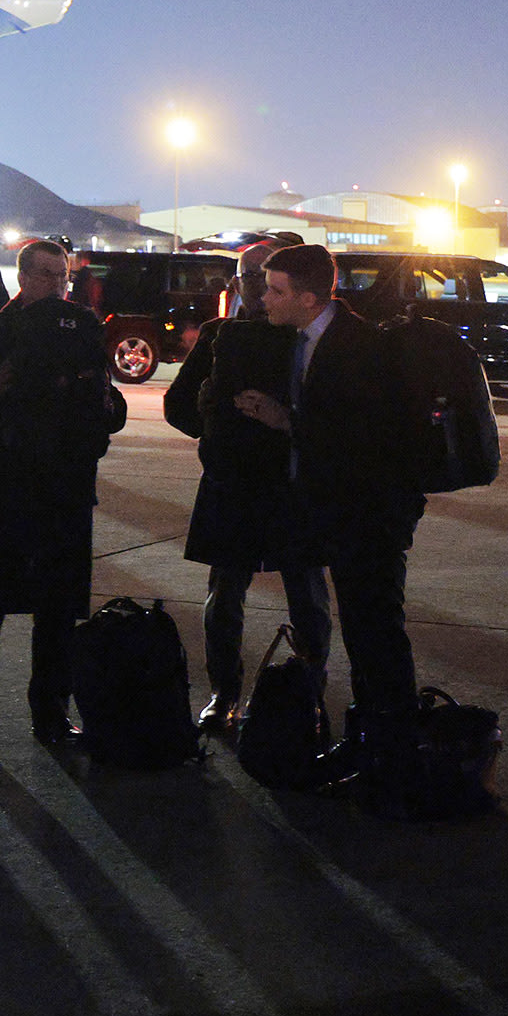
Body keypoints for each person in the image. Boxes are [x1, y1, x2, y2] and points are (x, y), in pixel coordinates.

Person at [235, 242, 423, 802]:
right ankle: (368, 742)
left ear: (309, 297)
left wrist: (284, 420)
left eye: (274, 290)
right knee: (364, 633)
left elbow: (364, 441)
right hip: (337, 515)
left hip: (370, 518)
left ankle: (394, 757)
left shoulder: (360, 347)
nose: (261, 297)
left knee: (377, 634)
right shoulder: (307, 340)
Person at [0, 239, 124, 750]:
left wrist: (96, 399)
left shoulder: (80, 330)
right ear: (22, 278)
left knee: (56, 611)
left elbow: (109, 402)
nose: (59, 286)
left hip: (63, 492)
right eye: (48, 276)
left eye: (63, 277)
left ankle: (52, 714)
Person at [164, 239, 332, 733]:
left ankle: (309, 692)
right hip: (233, 478)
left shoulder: (305, 337)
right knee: (225, 592)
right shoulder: (221, 335)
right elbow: (179, 408)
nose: (255, 286)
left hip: (290, 481)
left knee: (306, 592)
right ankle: (224, 693)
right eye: (247, 275)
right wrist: (212, 410)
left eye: (265, 275)